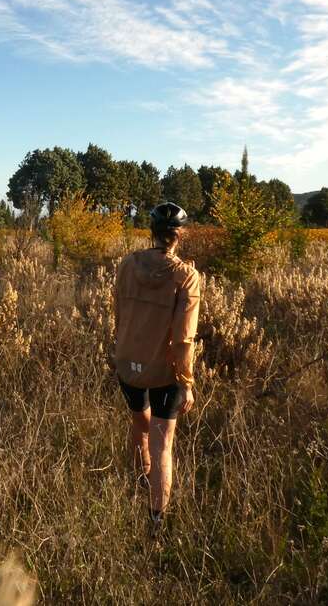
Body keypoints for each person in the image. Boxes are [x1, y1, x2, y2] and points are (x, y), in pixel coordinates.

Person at [113, 201, 200, 527]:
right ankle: (156, 519)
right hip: (166, 370)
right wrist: (186, 383)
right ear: (180, 235)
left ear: (152, 232)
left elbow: (118, 313)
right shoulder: (186, 276)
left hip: (127, 362)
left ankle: (142, 482)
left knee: (140, 424)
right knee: (163, 442)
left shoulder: (127, 264)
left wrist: (124, 350)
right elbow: (183, 339)